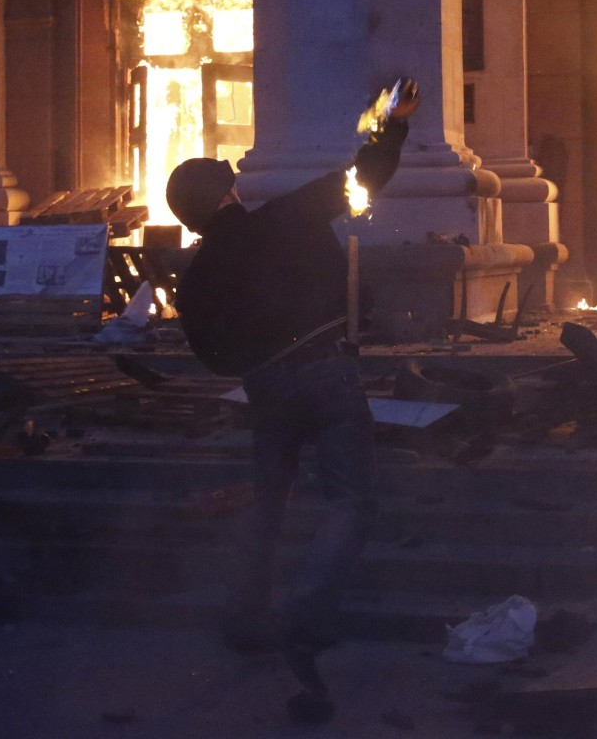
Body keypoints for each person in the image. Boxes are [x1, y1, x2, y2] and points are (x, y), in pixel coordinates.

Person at [168, 78, 419, 724]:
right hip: (326, 374)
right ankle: (301, 617)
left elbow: (213, 357)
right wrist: (391, 122)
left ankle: (245, 618)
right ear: (228, 195)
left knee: (267, 498)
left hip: (265, 388)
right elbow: (367, 175)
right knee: (350, 500)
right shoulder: (288, 216)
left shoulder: (196, 279)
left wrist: (258, 363)